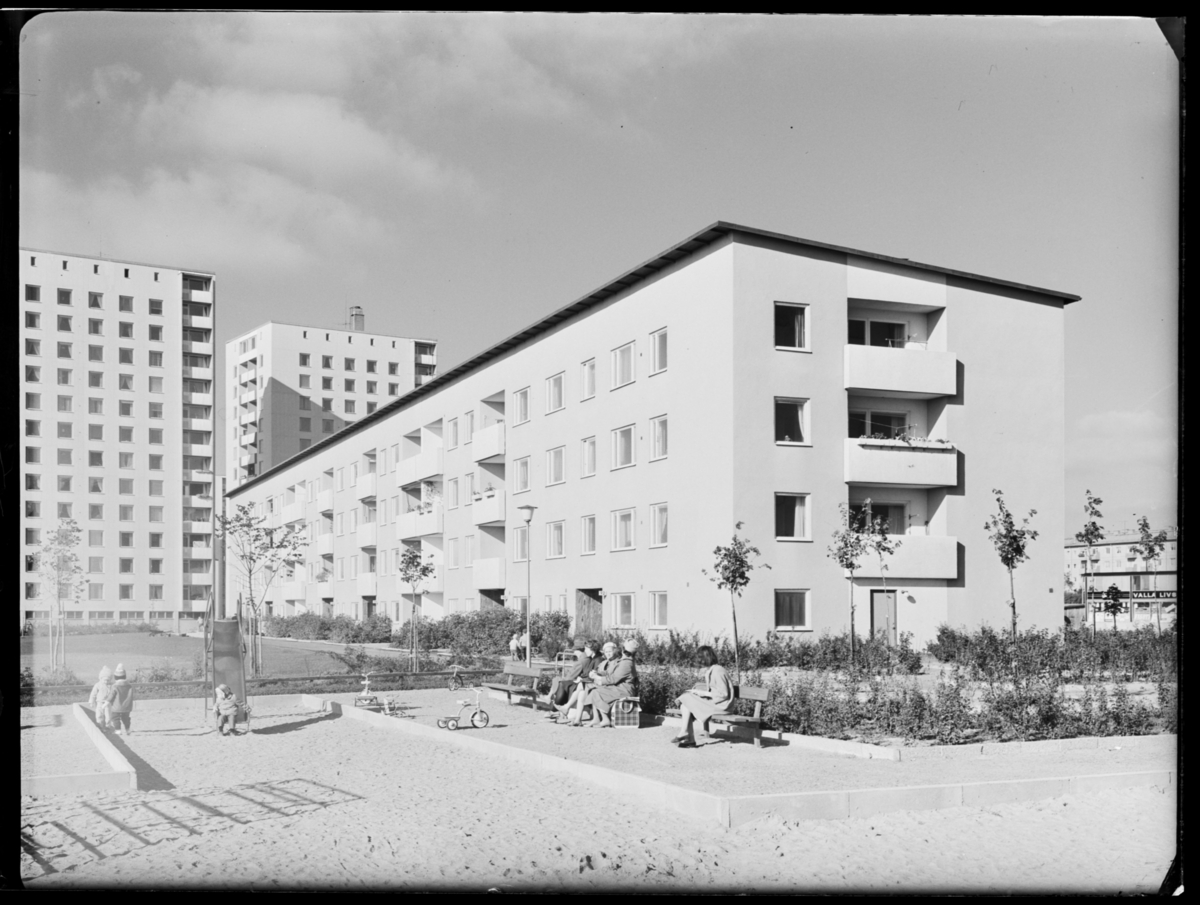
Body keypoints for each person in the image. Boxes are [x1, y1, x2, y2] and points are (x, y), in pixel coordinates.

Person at [670, 645, 734, 748]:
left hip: (723, 706)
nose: (698, 661)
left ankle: (685, 732)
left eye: (699, 658)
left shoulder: (718, 671)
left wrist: (704, 694)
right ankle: (689, 739)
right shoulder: (712, 670)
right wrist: (699, 692)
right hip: (715, 703)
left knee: (686, 698)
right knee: (685, 703)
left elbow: (724, 694)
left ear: (705, 658)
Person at [583, 639, 639, 728]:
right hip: (619, 688)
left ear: (623, 649)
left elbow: (613, 679)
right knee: (593, 689)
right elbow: (611, 673)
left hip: (624, 690)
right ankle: (597, 718)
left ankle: (605, 719)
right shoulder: (624, 660)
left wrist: (598, 678)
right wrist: (598, 673)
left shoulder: (626, 663)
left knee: (595, 691)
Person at [544, 641, 589, 719]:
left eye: (574, 651)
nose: (574, 653)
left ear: (578, 651)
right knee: (557, 680)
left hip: (577, 681)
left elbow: (571, 676)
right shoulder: (584, 659)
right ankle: (550, 699)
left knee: (559, 681)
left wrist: (564, 679)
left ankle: (553, 707)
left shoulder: (581, 661)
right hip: (579, 680)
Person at [106, 663, 135, 737]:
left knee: (115, 717)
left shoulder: (115, 686)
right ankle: (127, 729)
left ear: (115, 677)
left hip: (116, 706)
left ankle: (118, 730)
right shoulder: (129, 686)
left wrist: (106, 702)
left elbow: (111, 695)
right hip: (127, 706)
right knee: (126, 718)